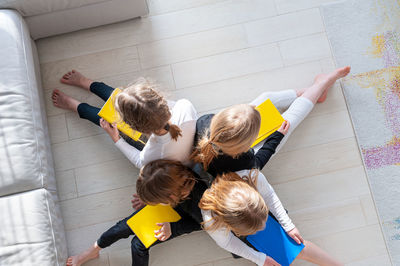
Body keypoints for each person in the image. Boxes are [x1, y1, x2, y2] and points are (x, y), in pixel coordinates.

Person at [192, 67, 351, 176]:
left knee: (266, 98)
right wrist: (277, 136)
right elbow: (258, 162)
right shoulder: (243, 159)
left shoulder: (204, 121)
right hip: (243, 155)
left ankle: (315, 91)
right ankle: (322, 84)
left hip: (232, 143)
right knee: (289, 120)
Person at [66, 160, 208, 266]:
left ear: (168, 198)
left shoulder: (202, 205)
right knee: (126, 226)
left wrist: (172, 227)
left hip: (186, 218)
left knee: (138, 243)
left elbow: (202, 224)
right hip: (174, 199)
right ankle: (93, 250)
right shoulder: (173, 171)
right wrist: (149, 196)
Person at [52, 70, 198, 168]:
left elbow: (139, 161)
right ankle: (87, 83)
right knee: (129, 101)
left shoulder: (153, 151)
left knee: (110, 120)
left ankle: (77, 105)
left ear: (136, 129)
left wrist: (116, 139)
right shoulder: (184, 106)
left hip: (171, 156)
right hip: (171, 138)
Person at [199, 170, 343, 266]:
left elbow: (269, 195)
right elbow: (228, 242)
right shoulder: (211, 220)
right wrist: (259, 259)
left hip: (241, 210)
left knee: (294, 246)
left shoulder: (253, 176)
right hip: (229, 220)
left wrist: (288, 225)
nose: (263, 227)